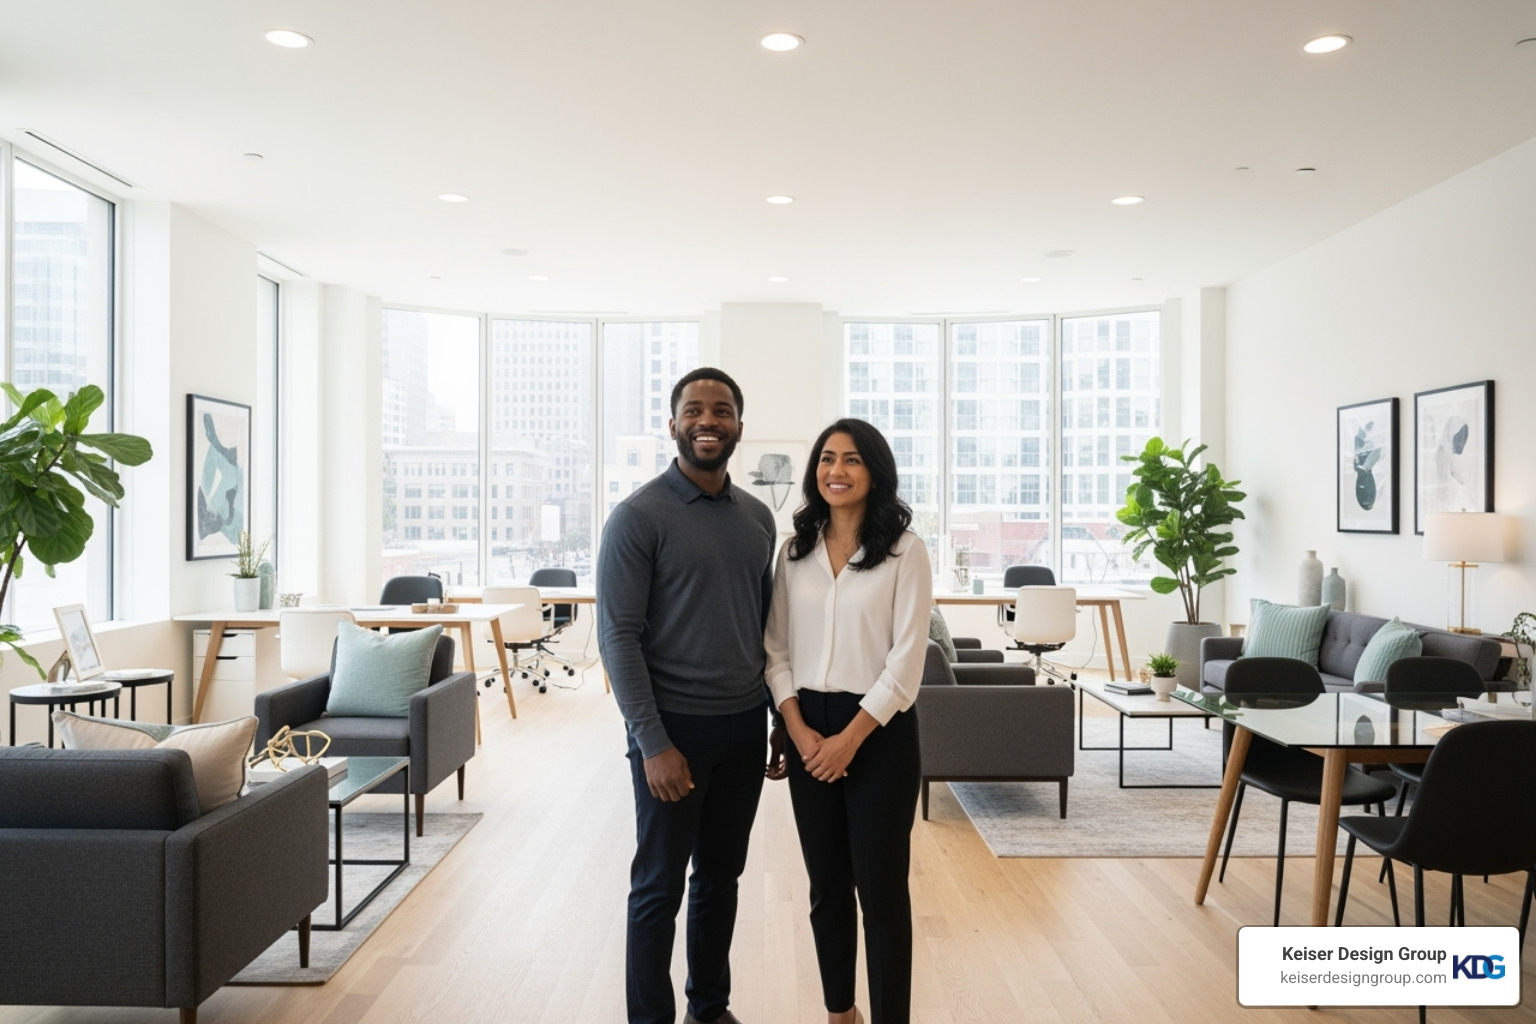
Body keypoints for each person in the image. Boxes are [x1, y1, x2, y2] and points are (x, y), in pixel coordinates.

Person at [597, 366, 779, 1024]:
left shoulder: (758, 518)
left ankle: (709, 1007)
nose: (709, 420)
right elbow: (617, 637)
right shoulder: (638, 516)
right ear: (672, 424)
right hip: (672, 731)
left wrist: (778, 721)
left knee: (721, 879)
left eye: (722, 410)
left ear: (739, 426)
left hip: (743, 728)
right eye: (695, 410)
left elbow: (765, 630)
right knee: (658, 886)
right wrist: (653, 743)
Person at [763, 417, 932, 1024]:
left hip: (879, 732)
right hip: (807, 727)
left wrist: (849, 740)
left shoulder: (906, 552)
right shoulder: (794, 551)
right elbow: (776, 650)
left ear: (875, 472)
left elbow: (906, 664)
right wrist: (798, 729)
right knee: (827, 886)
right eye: (827, 459)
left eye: (852, 459)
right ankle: (840, 1012)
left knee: (881, 893)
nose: (836, 470)